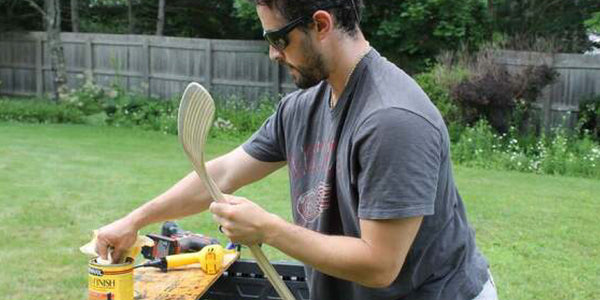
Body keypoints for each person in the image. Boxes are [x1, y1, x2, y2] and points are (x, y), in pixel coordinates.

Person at [96, 0, 498, 299]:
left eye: (278, 38)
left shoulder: (392, 119)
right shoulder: (303, 106)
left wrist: (269, 229)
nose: (273, 53)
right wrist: (136, 219)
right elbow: (219, 174)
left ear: (320, 24)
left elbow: (379, 264)